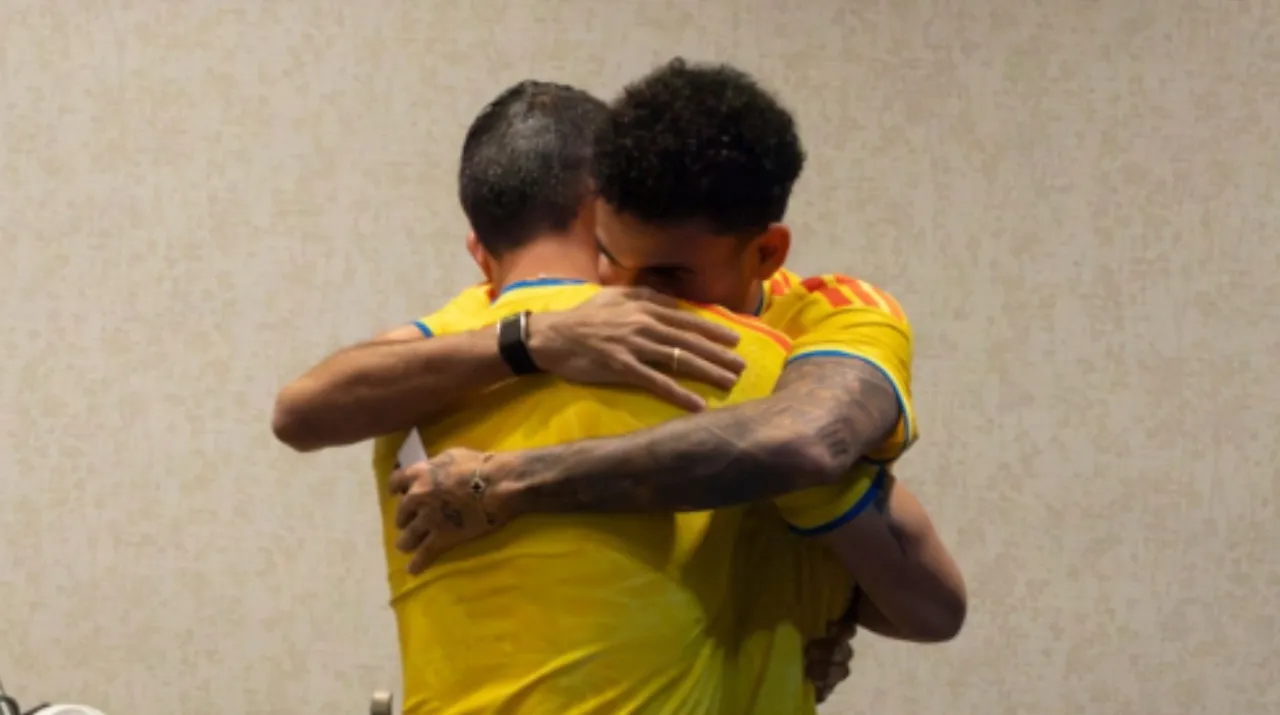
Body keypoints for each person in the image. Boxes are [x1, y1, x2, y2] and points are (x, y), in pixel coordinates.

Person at [384, 60, 966, 708]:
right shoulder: (506, 335)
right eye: (607, 256)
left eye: (665, 275)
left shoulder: (810, 341)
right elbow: (303, 407)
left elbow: (811, 442)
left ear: (768, 253)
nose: (624, 299)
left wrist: (513, 480)